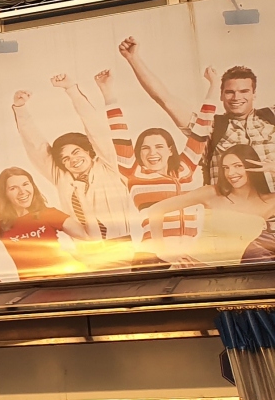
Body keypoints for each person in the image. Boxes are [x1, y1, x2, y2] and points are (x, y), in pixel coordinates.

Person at [121, 37, 275, 190]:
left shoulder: (271, 117)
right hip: (229, 203)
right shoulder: (211, 127)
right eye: (230, 92)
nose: (236, 97)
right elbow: (165, 99)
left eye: (244, 91)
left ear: (254, 94)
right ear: (221, 95)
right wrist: (133, 59)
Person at [93, 63, 215, 251]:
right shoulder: (134, 172)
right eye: (145, 148)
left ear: (170, 150)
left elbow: (201, 129)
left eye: (159, 147)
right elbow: (119, 133)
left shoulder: (185, 167)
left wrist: (213, 85)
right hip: (155, 252)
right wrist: (107, 91)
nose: (152, 153)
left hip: (191, 253)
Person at [13, 84, 134, 267]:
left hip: (120, 246)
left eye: (76, 152)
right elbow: (37, 147)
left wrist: (71, 90)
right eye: (66, 159)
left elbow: (95, 128)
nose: (73, 160)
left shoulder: (109, 167)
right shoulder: (62, 178)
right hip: (86, 253)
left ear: (88, 151)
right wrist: (21, 109)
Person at [139, 145, 275, 265]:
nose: (230, 173)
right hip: (192, 269)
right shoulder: (212, 193)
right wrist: (163, 252)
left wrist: (272, 169)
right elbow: (156, 209)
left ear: (253, 167)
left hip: (229, 276)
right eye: (226, 168)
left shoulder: (269, 202)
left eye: (238, 166)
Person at [0, 167, 97, 280]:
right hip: (34, 287)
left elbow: (91, 236)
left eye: (26, 184)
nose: (22, 191)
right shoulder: (0, 222)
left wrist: (82, 197)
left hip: (66, 278)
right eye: (13, 188)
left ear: (33, 186)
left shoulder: (48, 213)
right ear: (5, 194)